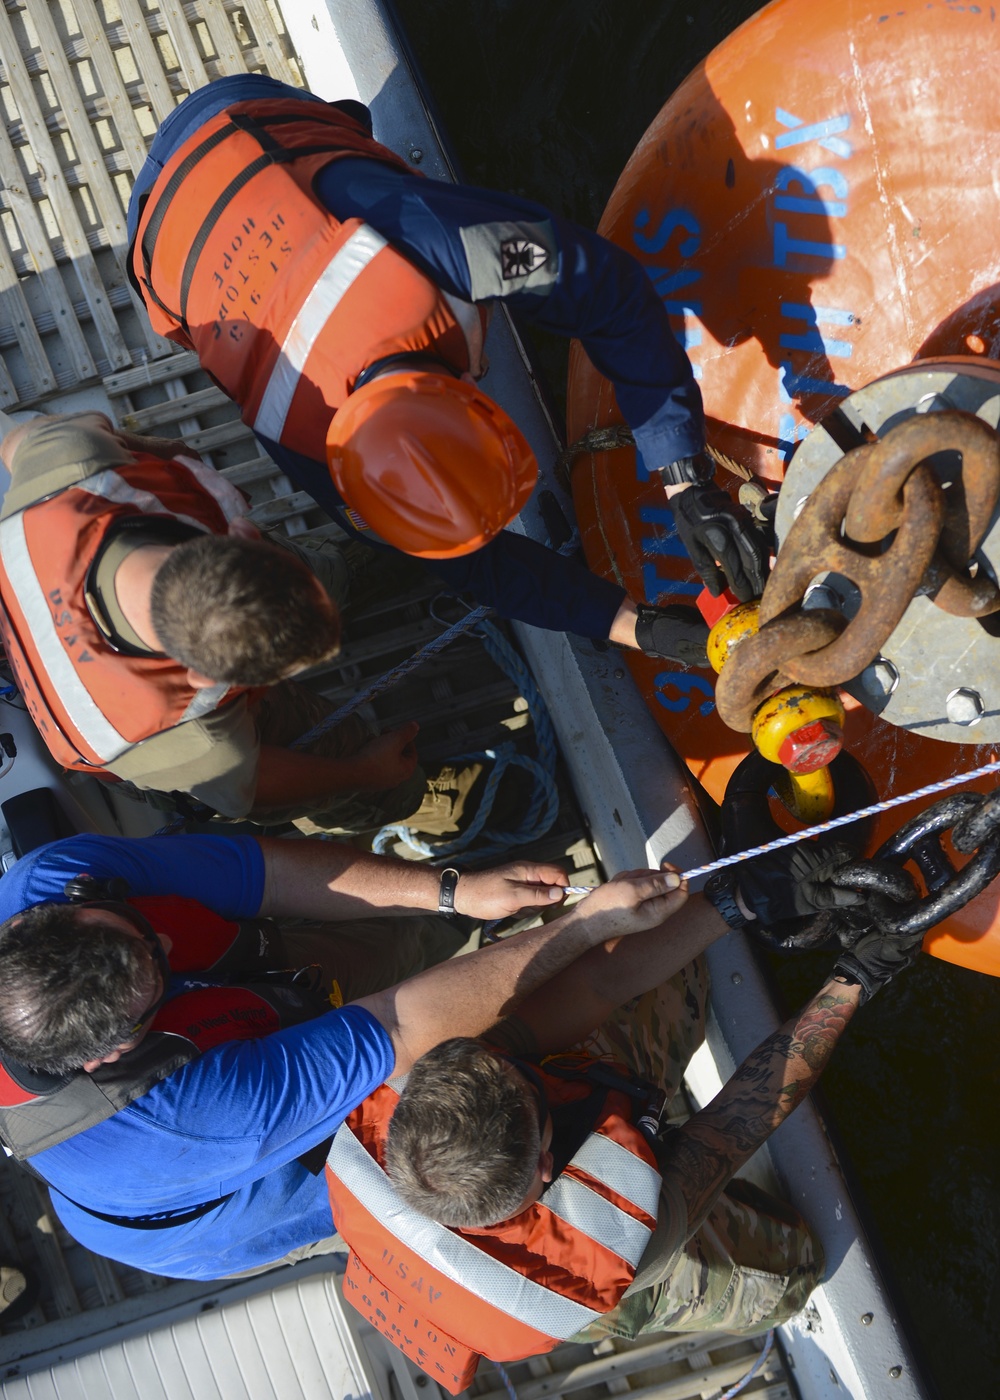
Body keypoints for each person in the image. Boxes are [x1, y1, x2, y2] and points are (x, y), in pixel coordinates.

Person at [0, 829, 850, 1282]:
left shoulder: (55, 884)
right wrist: (854, 976)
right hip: (233, 1191)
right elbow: (407, 1028)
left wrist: (456, 894)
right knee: (760, 1260)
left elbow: (565, 1010)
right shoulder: (608, 1232)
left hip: (266, 1024)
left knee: (537, 1018)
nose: (160, 937)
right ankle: (766, 1276)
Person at [126, 74, 768, 655]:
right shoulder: (340, 474)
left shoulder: (441, 246)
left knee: (370, 175)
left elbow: (607, 288)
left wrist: (687, 482)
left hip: (227, 143)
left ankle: (345, 146)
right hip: (169, 232)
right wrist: (637, 626)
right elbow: (474, 565)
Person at [324, 856, 914, 1386]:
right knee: (793, 1266)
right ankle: (760, 1267)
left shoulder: (416, 1090)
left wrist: (737, 899)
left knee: (668, 957)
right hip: (582, 1267)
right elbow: (740, 1119)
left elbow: (596, 982)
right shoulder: (607, 1246)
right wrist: (856, 979)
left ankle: (662, 1044)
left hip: (490, 1166)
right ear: (546, 1166)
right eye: (535, 1091)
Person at [0, 411, 462, 834]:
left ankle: (413, 552)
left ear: (237, 536)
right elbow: (253, 788)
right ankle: (399, 798)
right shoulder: (185, 735)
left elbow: (20, 439)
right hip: (131, 741)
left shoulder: (67, 469)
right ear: (204, 680)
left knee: (330, 577)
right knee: (379, 787)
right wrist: (365, 771)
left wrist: (164, 452)